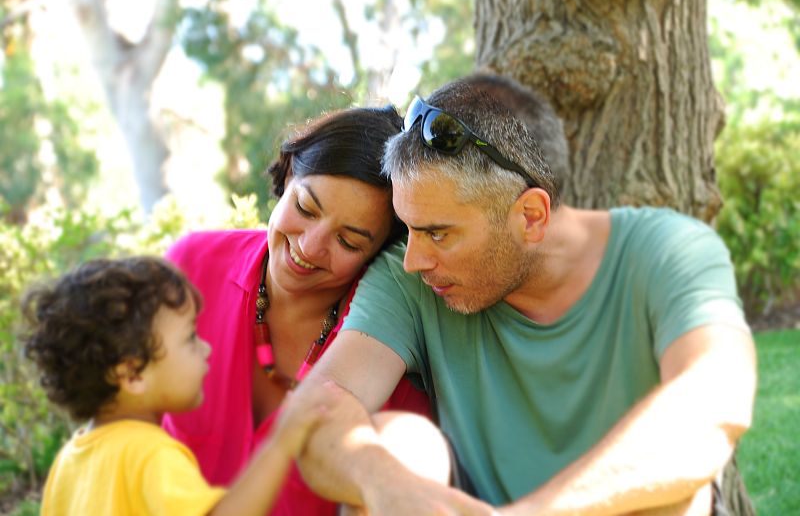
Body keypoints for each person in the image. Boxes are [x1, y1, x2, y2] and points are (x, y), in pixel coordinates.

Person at [296, 73, 757, 515]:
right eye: (409, 227)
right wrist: (383, 484)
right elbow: (318, 414)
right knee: (397, 448)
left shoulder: (668, 251)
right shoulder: (411, 278)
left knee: (672, 489)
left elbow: (716, 405)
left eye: (438, 233)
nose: (413, 259)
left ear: (531, 216)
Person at [161, 105, 431, 515]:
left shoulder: (387, 349)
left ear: (379, 254)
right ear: (289, 175)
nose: (309, 246)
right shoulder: (190, 269)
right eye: (305, 208)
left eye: (349, 242)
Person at [21, 256, 340, 515]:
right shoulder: (149, 455)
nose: (206, 348)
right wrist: (282, 441)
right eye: (190, 338)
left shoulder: (69, 463)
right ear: (132, 375)